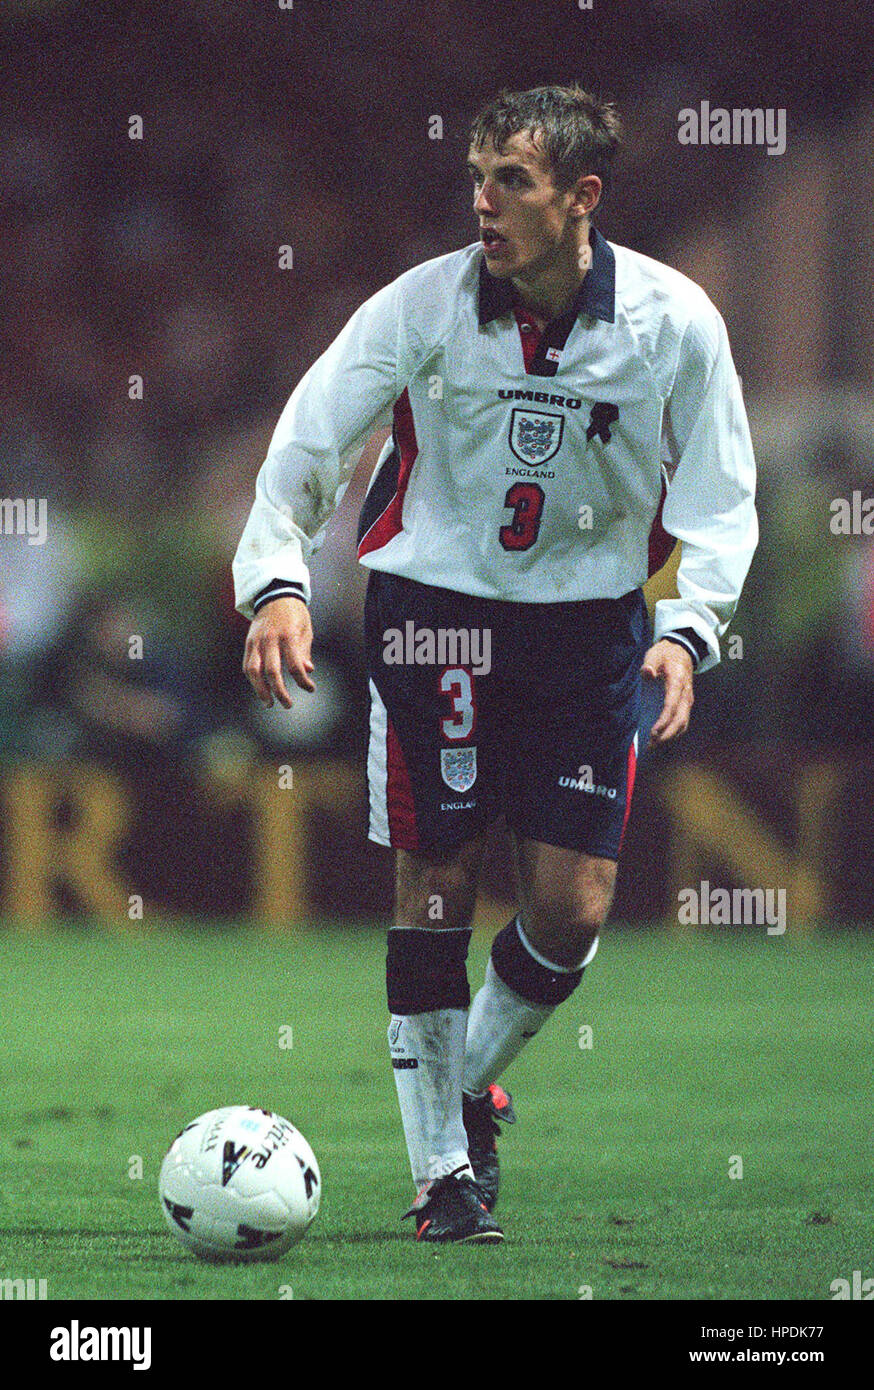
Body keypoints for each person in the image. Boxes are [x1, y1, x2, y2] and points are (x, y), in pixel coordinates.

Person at [233, 84, 757, 1244]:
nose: (482, 203)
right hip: (435, 619)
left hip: (587, 631)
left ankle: (466, 1085)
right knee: (436, 881)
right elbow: (307, 443)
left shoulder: (674, 321)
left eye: (510, 181)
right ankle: (441, 1179)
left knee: (572, 909)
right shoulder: (422, 306)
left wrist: (689, 630)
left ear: (582, 197)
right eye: (475, 179)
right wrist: (275, 579)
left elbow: (722, 501)